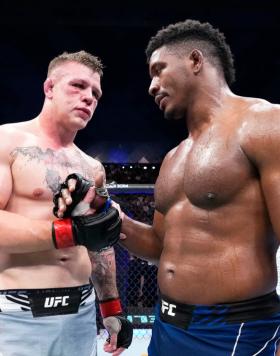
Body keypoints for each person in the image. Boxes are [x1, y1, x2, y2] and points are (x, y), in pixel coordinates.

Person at [118, 19, 280, 355]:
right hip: (167, 327)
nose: (152, 85)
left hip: (235, 332)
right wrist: (112, 220)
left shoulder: (263, 123)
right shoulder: (173, 158)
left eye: (159, 70)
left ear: (195, 61)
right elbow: (160, 248)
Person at [0, 50, 132, 356]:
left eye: (96, 93)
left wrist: (110, 307)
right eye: (78, 86)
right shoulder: (7, 142)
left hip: (81, 313)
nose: (89, 98)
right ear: (49, 88)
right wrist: (72, 232)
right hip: (17, 315)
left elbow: (99, 244)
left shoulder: (91, 167)